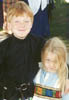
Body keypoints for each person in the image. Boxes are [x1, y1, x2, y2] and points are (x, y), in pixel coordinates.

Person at [0, 1, 45, 100]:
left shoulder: (39, 43)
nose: (22, 25)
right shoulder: (3, 47)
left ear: (32, 24)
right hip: (9, 94)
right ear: (9, 25)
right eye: (17, 21)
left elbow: (57, 58)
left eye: (26, 21)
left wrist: (66, 78)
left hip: (33, 93)